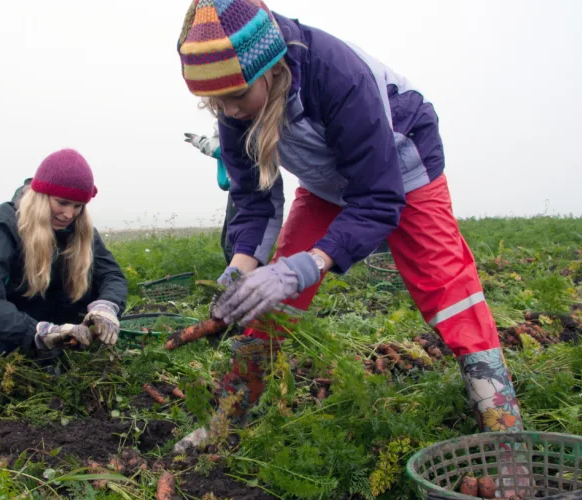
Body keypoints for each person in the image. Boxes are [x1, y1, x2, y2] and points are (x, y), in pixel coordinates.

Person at [173, 0, 523, 451]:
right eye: (214, 102)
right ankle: (226, 419)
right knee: (271, 298)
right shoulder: (233, 107)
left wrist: (314, 262)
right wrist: (240, 269)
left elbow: (378, 197)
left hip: (401, 168)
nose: (229, 111)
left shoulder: (337, 75)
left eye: (237, 96)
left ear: (272, 69)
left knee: (448, 290)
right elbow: (254, 200)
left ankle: (506, 435)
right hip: (326, 182)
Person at [0, 149, 127, 358]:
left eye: (78, 206)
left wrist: (106, 307)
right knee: (9, 347)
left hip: (31, 305)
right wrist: (37, 332)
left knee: (88, 328)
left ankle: (42, 335)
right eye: (62, 202)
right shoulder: (2, 225)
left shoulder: (79, 228)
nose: (68, 214)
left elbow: (111, 275)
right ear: (42, 196)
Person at [184, 123, 283, 266]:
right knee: (229, 241)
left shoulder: (236, 131)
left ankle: (243, 275)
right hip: (239, 189)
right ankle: (240, 273)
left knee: (234, 243)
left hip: (247, 188)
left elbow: (219, 149)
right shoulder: (233, 129)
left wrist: (199, 141)